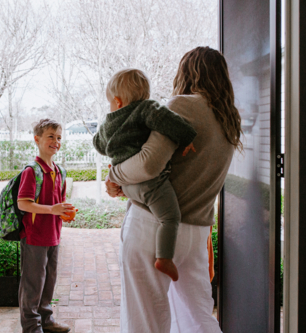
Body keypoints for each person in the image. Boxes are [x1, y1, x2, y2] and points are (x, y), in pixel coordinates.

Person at [106, 47, 243, 333]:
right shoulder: (231, 120)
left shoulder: (182, 105)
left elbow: (149, 164)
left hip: (152, 229)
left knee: (145, 321)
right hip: (196, 234)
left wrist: (116, 175)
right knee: (198, 317)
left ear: (187, 72)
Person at [93, 68, 197, 280]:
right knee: (169, 217)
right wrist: (187, 137)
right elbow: (170, 122)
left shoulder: (108, 123)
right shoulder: (147, 108)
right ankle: (164, 258)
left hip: (128, 186)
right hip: (151, 184)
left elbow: (100, 146)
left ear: (118, 101)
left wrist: (108, 127)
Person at [17, 119, 75, 333]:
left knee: (49, 280)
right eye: (50, 136)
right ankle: (32, 326)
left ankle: (46, 320)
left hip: (53, 235)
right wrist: (52, 210)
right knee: (32, 283)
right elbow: (23, 203)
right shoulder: (32, 171)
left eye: (59, 137)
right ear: (37, 139)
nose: (56, 141)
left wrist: (64, 212)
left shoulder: (59, 171)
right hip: (34, 236)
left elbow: (55, 204)